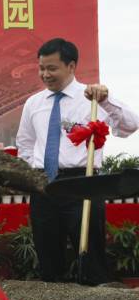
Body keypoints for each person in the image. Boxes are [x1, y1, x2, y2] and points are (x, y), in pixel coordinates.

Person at [16, 38, 139, 285]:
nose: (45, 74)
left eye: (52, 68)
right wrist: (32, 173)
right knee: (48, 256)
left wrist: (105, 100)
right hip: (44, 185)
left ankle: (96, 299)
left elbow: (130, 125)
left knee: (90, 255)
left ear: (71, 66)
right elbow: (25, 143)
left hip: (83, 183)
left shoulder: (92, 99)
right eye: (41, 68)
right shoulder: (34, 103)